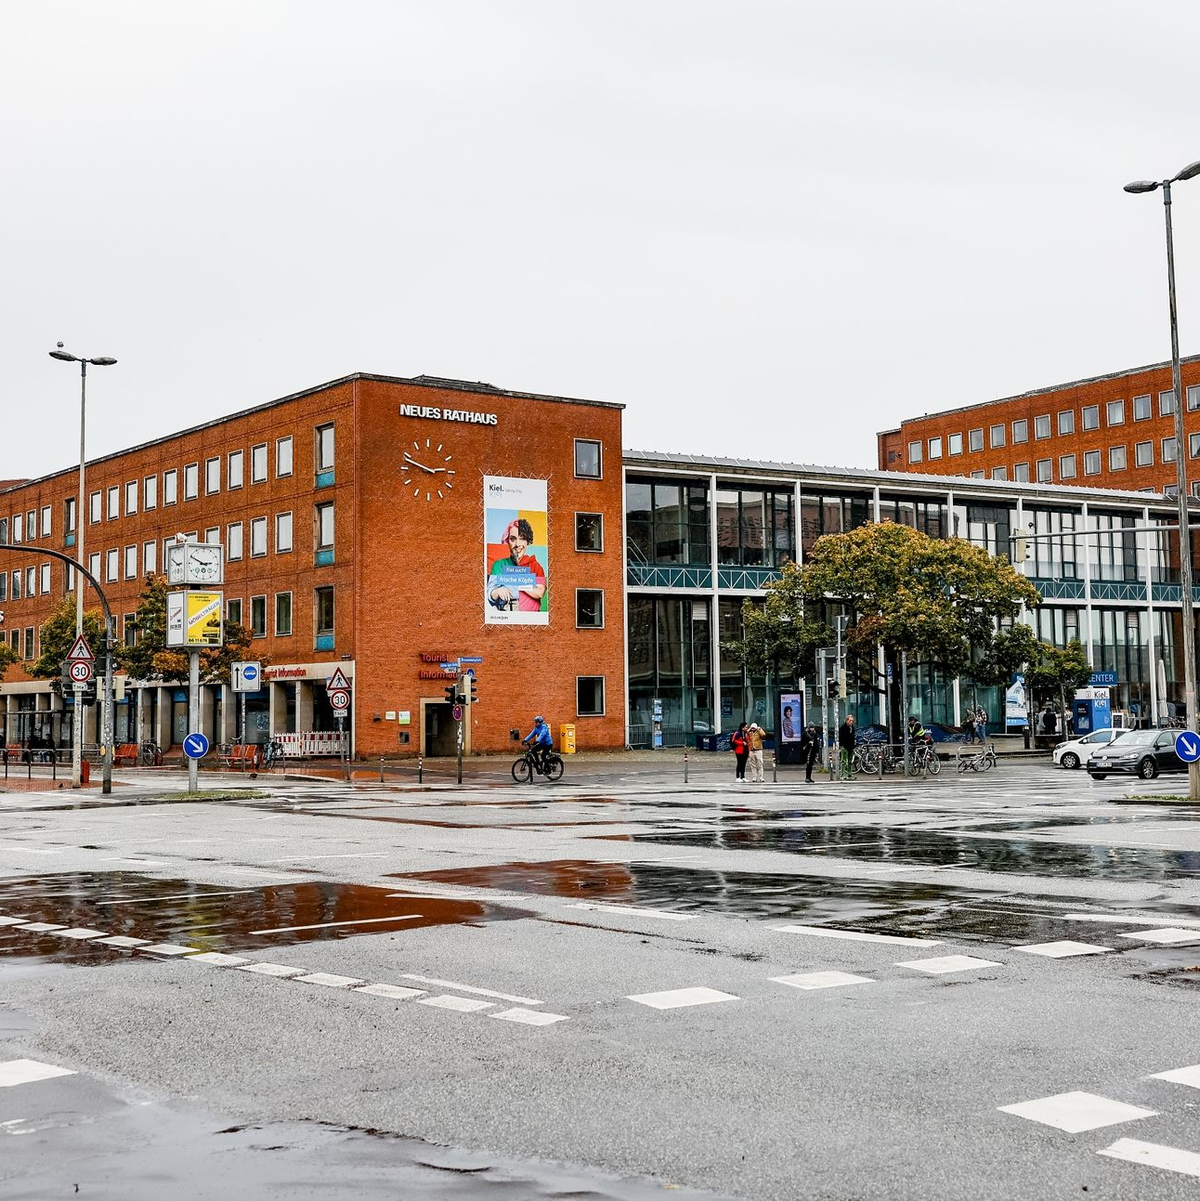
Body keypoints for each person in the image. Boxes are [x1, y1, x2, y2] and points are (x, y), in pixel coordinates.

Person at [488, 519, 546, 612]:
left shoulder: (535, 566)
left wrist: (516, 581)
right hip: (507, 615)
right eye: (513, 539)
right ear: (507, 541)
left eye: (522, 538)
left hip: (532, 619)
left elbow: (540, 593)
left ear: (527, 541)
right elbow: (491, 594)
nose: (518, 544)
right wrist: (498, 591)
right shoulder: (499, 565)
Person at [838, 714, 856, 779]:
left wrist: (853, 745)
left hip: (851, 746)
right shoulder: (843, 728)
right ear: (847, 721)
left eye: (852, 720)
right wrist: (842, 745)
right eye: (850, 720)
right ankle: (842, 774)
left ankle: (849, 774)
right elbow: (841, 738)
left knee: (850, 761)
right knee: (843, 761)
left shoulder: (853, 728)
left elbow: (853, 737)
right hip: (845, 746)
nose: (851, 722)